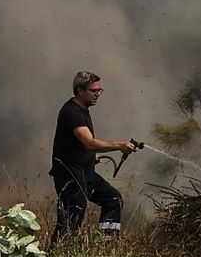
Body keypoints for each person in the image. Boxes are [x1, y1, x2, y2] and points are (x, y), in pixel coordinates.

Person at [49, 71, 138, 244]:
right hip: (71, 176)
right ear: (80, 90)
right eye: (93, 90)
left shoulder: (83, 109)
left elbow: (79, 144)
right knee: (70, 223)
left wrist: (91, 156)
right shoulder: (72, 112)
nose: (98, 94)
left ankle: (106, 244)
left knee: (113, 199)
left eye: (100, 90)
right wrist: (119, 145)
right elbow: (88, 142)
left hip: (85, 172)